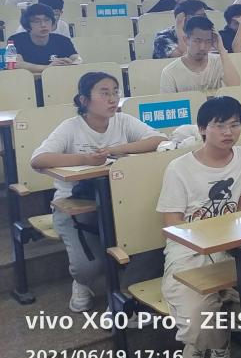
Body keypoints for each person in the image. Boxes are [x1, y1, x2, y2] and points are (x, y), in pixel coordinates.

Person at [30, 72, 165, 312]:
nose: (112, 99)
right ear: (84, 100)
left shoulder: (123, 121)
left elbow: (159, 140)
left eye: (115, 92)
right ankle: (82, 283)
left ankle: (125, 296)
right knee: (89, 267)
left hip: (118, 203)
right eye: (104, 93)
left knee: (150, 241)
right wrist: (84, 159)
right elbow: (38, 160)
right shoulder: (71, 127)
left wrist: (116, 149)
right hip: (75, 206)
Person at [158, 96, 241, 358]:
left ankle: (209, 342)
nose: (228, 132)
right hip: (188, 250)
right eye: (219, 125)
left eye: (235, 125)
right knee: (195, 319)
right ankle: (213, 345)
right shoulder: (179, 168)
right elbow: (173, 226)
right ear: (202, 129)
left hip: (230, 246)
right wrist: (208, 243)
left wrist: (226, 244)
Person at [160, 17, 240, 93]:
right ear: (186, 40)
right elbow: (168, 101)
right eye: (197, 41)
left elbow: (235, 86)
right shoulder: (170, 72)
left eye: (208, 41)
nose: (202, 47)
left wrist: (221, 49)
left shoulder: (220, 61)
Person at [12, 3, 81, 72]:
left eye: (47, 20)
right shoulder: (15, 40)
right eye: (37, 21)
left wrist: (71, 63)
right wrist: (48, 68)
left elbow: (77, 58)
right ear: (27, 24)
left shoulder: (63, 40)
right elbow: (15, 63)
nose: (43, 25)